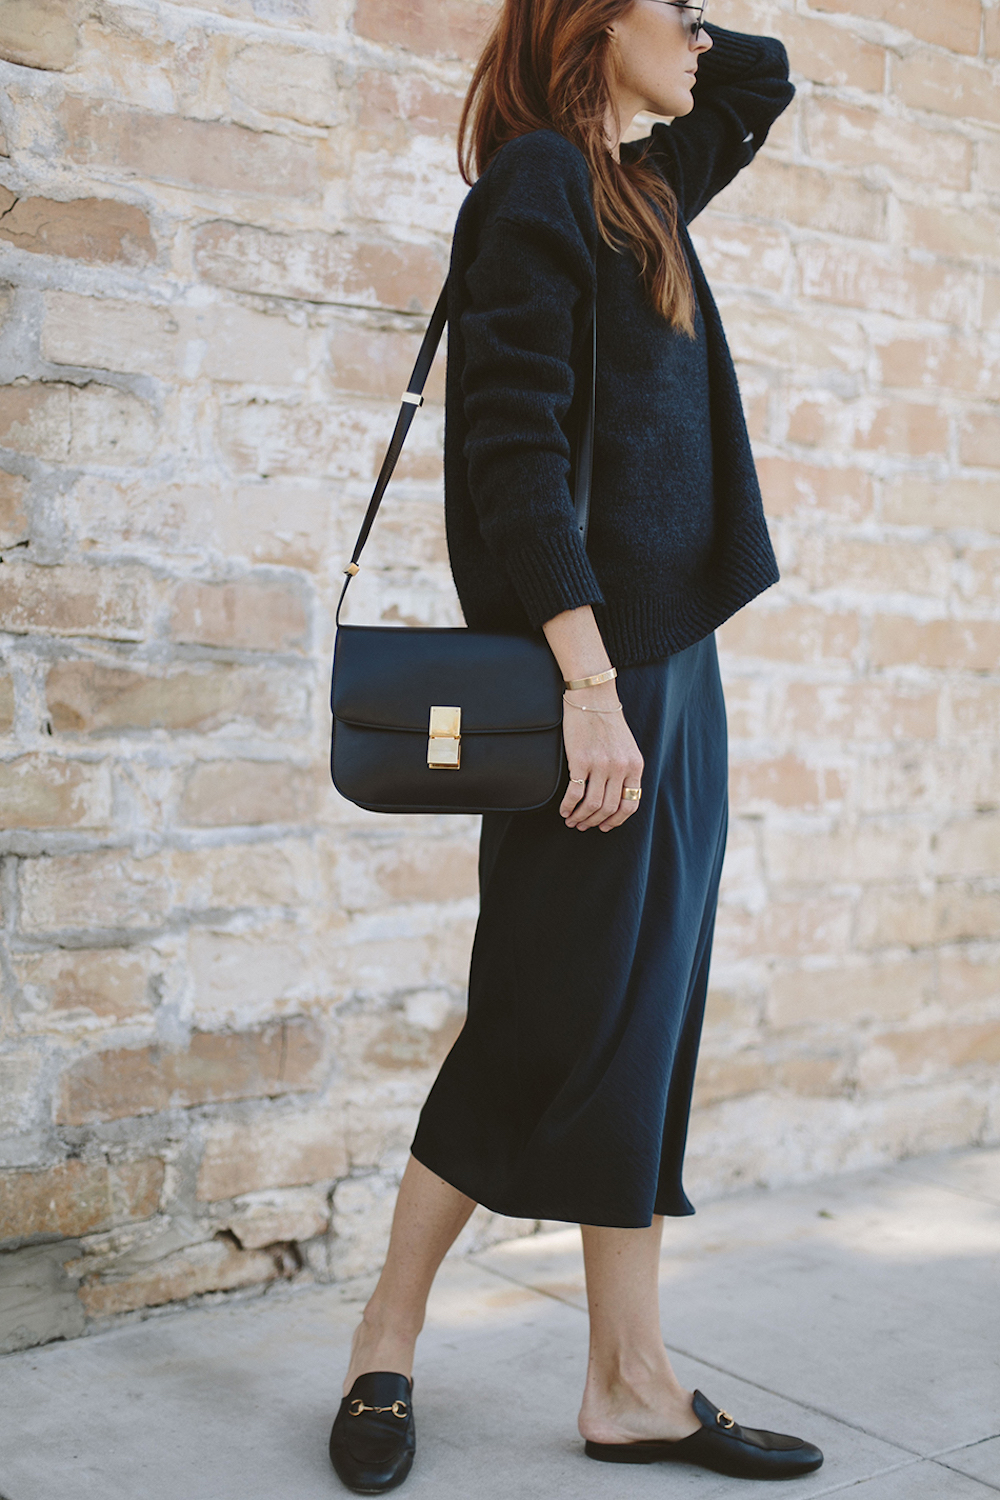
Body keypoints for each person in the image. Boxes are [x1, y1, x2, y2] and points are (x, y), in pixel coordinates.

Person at [329, 0, 823, 1490]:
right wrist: (589, 682)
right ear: (590, 21)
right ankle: (382, 1342)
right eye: (668, 4)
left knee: (643, 1017)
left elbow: (761, 79)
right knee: (545, 1012)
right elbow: (513, 449)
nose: (697, 28)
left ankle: (630, 1383)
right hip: (591, 678)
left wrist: (663, 30)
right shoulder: (538, 182)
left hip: (674, 670)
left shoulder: (636, 186)